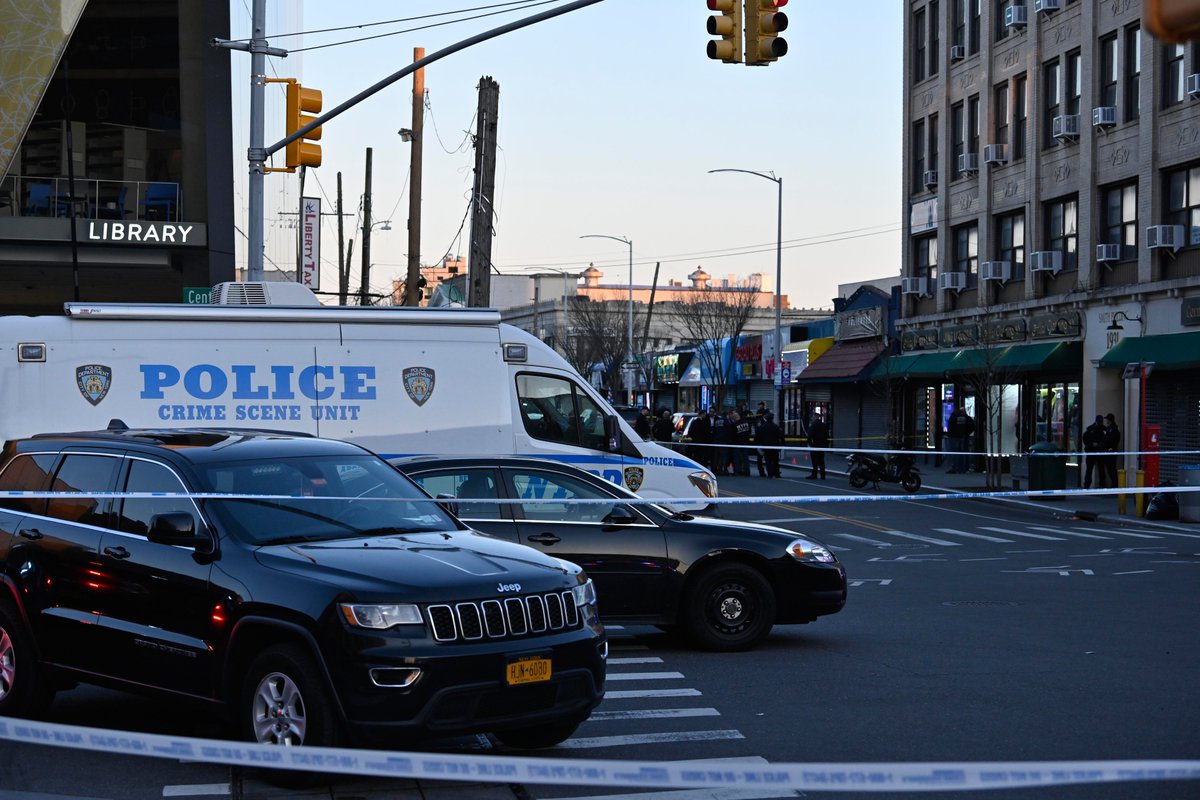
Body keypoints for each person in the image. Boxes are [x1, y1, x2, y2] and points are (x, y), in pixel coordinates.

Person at [946, 406, 974, 474]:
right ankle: (963, 468)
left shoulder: (954, 416)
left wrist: (950, 435)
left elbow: (950, 426)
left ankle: (955, 467)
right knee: (962, 452)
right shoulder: (966, 418)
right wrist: (966, 433)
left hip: (954, 437)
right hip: (962, 437)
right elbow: (972, 426)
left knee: (955, 453)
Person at [756, 411, 784, 478]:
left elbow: (758, 436)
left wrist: (759, 444)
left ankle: (770, 473)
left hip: (766, 446)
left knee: (768, 460)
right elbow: (781, 436)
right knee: (775, 460)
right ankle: (777, 473)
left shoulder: (762, 427)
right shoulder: (776, 427)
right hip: (775, 446)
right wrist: (781, 445)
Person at [1081, 415, 1106, 490]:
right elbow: (1085, 438)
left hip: (1100, 451)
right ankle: (1087, 485)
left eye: (1100, 422)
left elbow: (1106, 440)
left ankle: (1102, 484)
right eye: (1099, 422)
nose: (1099, 423)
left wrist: (1101, 444)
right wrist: (1091, 444)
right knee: (1089, 470)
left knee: (1101, 469)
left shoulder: (1104, 429)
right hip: (1091, 451)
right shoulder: (1090, 429)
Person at [807, 412, 830, 479]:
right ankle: (823, 475)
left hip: (815, 445)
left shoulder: (813, 425)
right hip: (822, 445)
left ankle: (814, 474)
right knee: (821, 460)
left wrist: (810, 444)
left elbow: (809, 435)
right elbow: (827, 436)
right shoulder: (823, 425)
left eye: (812, 417)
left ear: (815, 417)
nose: (812, 418)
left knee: (815, 461)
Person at [711, 409, 734, 476]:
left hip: (716, 440)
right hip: (724, 441)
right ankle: (721, 470)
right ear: (728, 415)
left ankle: (714, 469)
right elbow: (730, 431)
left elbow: (714, 430)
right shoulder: (726, 421)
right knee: (723, 456)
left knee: (716, 456)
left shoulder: (717, 421)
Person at [1102, 412, 1121, 489]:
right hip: (1107, 451)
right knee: (1109, 468)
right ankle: (1114, 483)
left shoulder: (1114, 429)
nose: (1106, 421)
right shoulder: (1109, 428)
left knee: (1112, 468)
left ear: (1110, 420)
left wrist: (1110, 448)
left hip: (1111, 451)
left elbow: (1113, 440)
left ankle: (1115, 483)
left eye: (1107, 419)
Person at [732, 410, 752, 476]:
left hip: (737, 443)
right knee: (745, 458)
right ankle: (747, 471)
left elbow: (733, 434)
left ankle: (737, 471)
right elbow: (749, 432)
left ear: (735, 417)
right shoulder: (746, 423)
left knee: (737, 459)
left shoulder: (735, 425)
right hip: (745, 442)